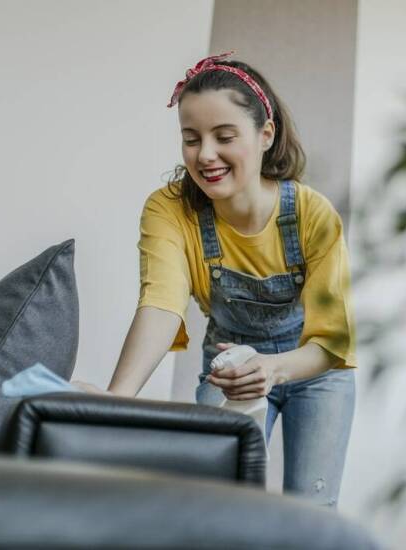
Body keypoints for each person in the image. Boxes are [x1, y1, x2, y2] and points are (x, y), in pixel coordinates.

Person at [72, 51, 357, 508]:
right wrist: (116, 400)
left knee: (313, 512)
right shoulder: (169, 210)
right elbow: (160, 305)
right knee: (218, 501)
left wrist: (272, 367)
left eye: (224, 136)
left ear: (265, 135)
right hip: (228, 371)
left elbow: (331, 343)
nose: (205, 155)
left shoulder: (311, 214)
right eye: (191, 138)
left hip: (313, 372)